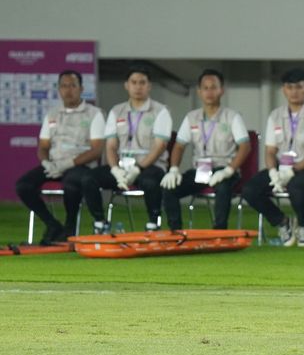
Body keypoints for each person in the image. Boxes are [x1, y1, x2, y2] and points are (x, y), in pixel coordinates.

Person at [242, 68, 304, 246]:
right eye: (290, 87)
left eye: (299, 87)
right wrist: (273, 172)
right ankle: (282, 222)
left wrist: (294, 170)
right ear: (284, 89)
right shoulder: (275, 116)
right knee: (250, 190)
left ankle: (302, 225)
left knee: (296, 187)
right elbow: (269, 151)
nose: (294, 91)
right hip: (281, 167)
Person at [16, 70, 105, 244]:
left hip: (80, 165)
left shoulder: (95, 114)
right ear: (59, 89)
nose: (68, 90)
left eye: (73, 85)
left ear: (81, 88)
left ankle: (70, 227)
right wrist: (46, 163)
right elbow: (43, 146)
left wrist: (68, 163)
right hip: (54, 164)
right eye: (64, 86)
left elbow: (96, 150)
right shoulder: (52, 114)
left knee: (70, 182)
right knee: (23, 185)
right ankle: (52, 224)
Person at [81, 66, 172, 233]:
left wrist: (139, 168)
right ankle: (100, 223)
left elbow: (160, 146)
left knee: (150, 182)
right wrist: (115, 169)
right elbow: (111, 145)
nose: (138, 87)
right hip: (122, 166)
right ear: (126, 85)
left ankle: (153, 224)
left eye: (142, 83)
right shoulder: (117, 111)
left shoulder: (161, 111)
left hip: (150, 166)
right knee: (88, 178)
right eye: (134, 82)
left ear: (149, 86)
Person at [161, 69, 250, 230]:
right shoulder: (191, 118)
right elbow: (179, 146)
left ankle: (219, 231)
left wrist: (229, 170)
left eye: (213, 87)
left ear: (221, 90)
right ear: (199, 91)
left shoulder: (232, 117)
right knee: (170, 189)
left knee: (223, 187)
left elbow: (245, 146)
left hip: (225, 169)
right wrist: (173, 169)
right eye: (205, 88)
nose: (209, 92)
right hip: (200, 170)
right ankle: (176, 232)